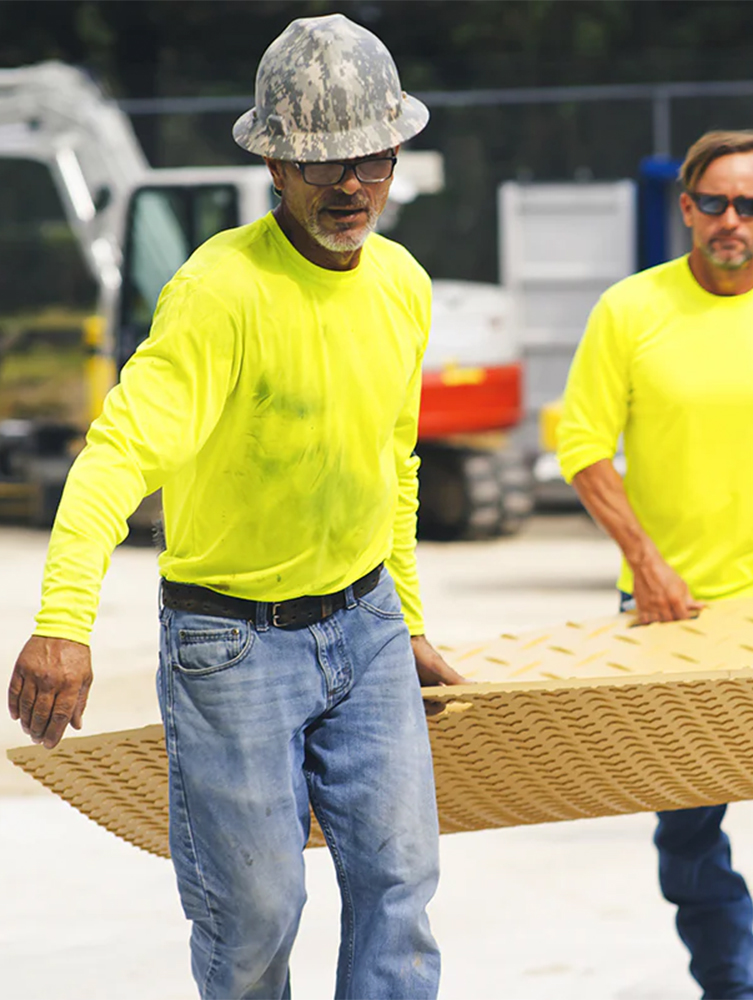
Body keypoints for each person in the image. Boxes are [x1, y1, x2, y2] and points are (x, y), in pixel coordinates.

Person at [7, 14, 462, 1000]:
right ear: (276, 168)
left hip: (367, 625)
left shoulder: (403, 288)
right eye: (322, 162)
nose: (351, 184)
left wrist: (409, 621)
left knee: (400, 888)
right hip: (233, 643)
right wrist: (61, 625)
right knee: (255, 918)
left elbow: (395, 463)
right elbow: (115, 457)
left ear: (394, 156)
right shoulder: (219, 295)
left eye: (371, 158)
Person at [557, 129, 753, 1000]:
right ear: (686, 207)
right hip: (670, 621)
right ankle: (730, 992)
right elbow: (582, 444)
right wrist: (645, 561)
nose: (727, 220)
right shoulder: (629, 311)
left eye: (748, 204)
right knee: (691, 843)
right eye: (711, 202)